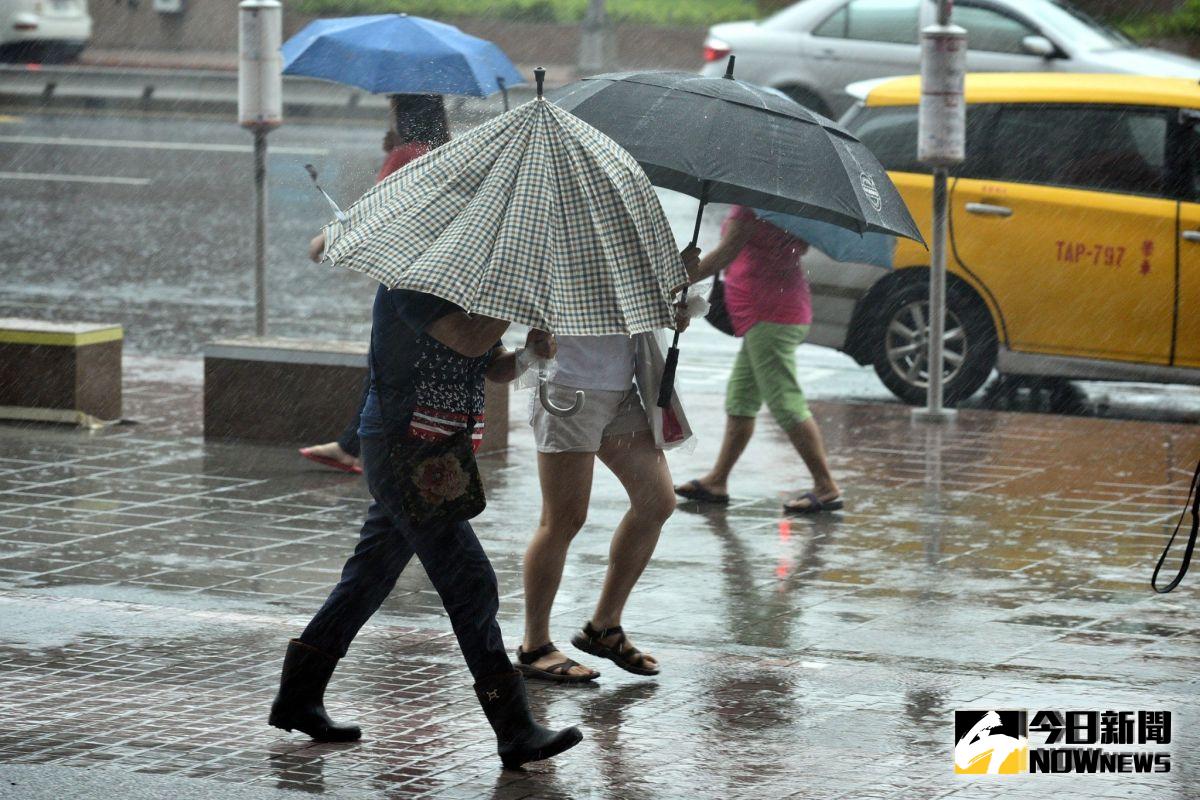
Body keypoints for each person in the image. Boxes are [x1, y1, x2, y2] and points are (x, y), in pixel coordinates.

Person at [270, 283, 582, 769]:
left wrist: (528, 354)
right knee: (471, 580)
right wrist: (514, 297)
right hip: (406, 447)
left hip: (439, 448)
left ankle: (298, 698)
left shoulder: (464, 284)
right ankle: (515, 728)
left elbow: (492, 364)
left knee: (368, 578)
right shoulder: (411, 283)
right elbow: (468, 339)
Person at [515, 247, 701, 683]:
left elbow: (627, 305)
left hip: (622, 388)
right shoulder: (555, 231)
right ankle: (534, 645)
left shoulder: (621, 229)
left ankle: (604, 626)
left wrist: (672, 301)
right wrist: (665, 286)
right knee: (563, 519)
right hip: (568, 389)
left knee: (656, 501)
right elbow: (591, 299)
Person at [300, 94, 453, 475]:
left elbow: (380, 208)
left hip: (403, 278)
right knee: (395, 364)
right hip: (436, 276)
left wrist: (328, 238)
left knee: (388, 366)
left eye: (394, 107)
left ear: (406, 112)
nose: (389, 114)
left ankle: (371, 451)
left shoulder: (408, 154)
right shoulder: (444, 151)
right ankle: (354, 446)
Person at [674, 206, 842, 514]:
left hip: (769, 315)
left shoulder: (753, 207)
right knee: (741, 399)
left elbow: (725, 254)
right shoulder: (789, 207)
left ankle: (826, 485)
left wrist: (678, 278)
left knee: (785, 402)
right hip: (770, 312)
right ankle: (717, 480)